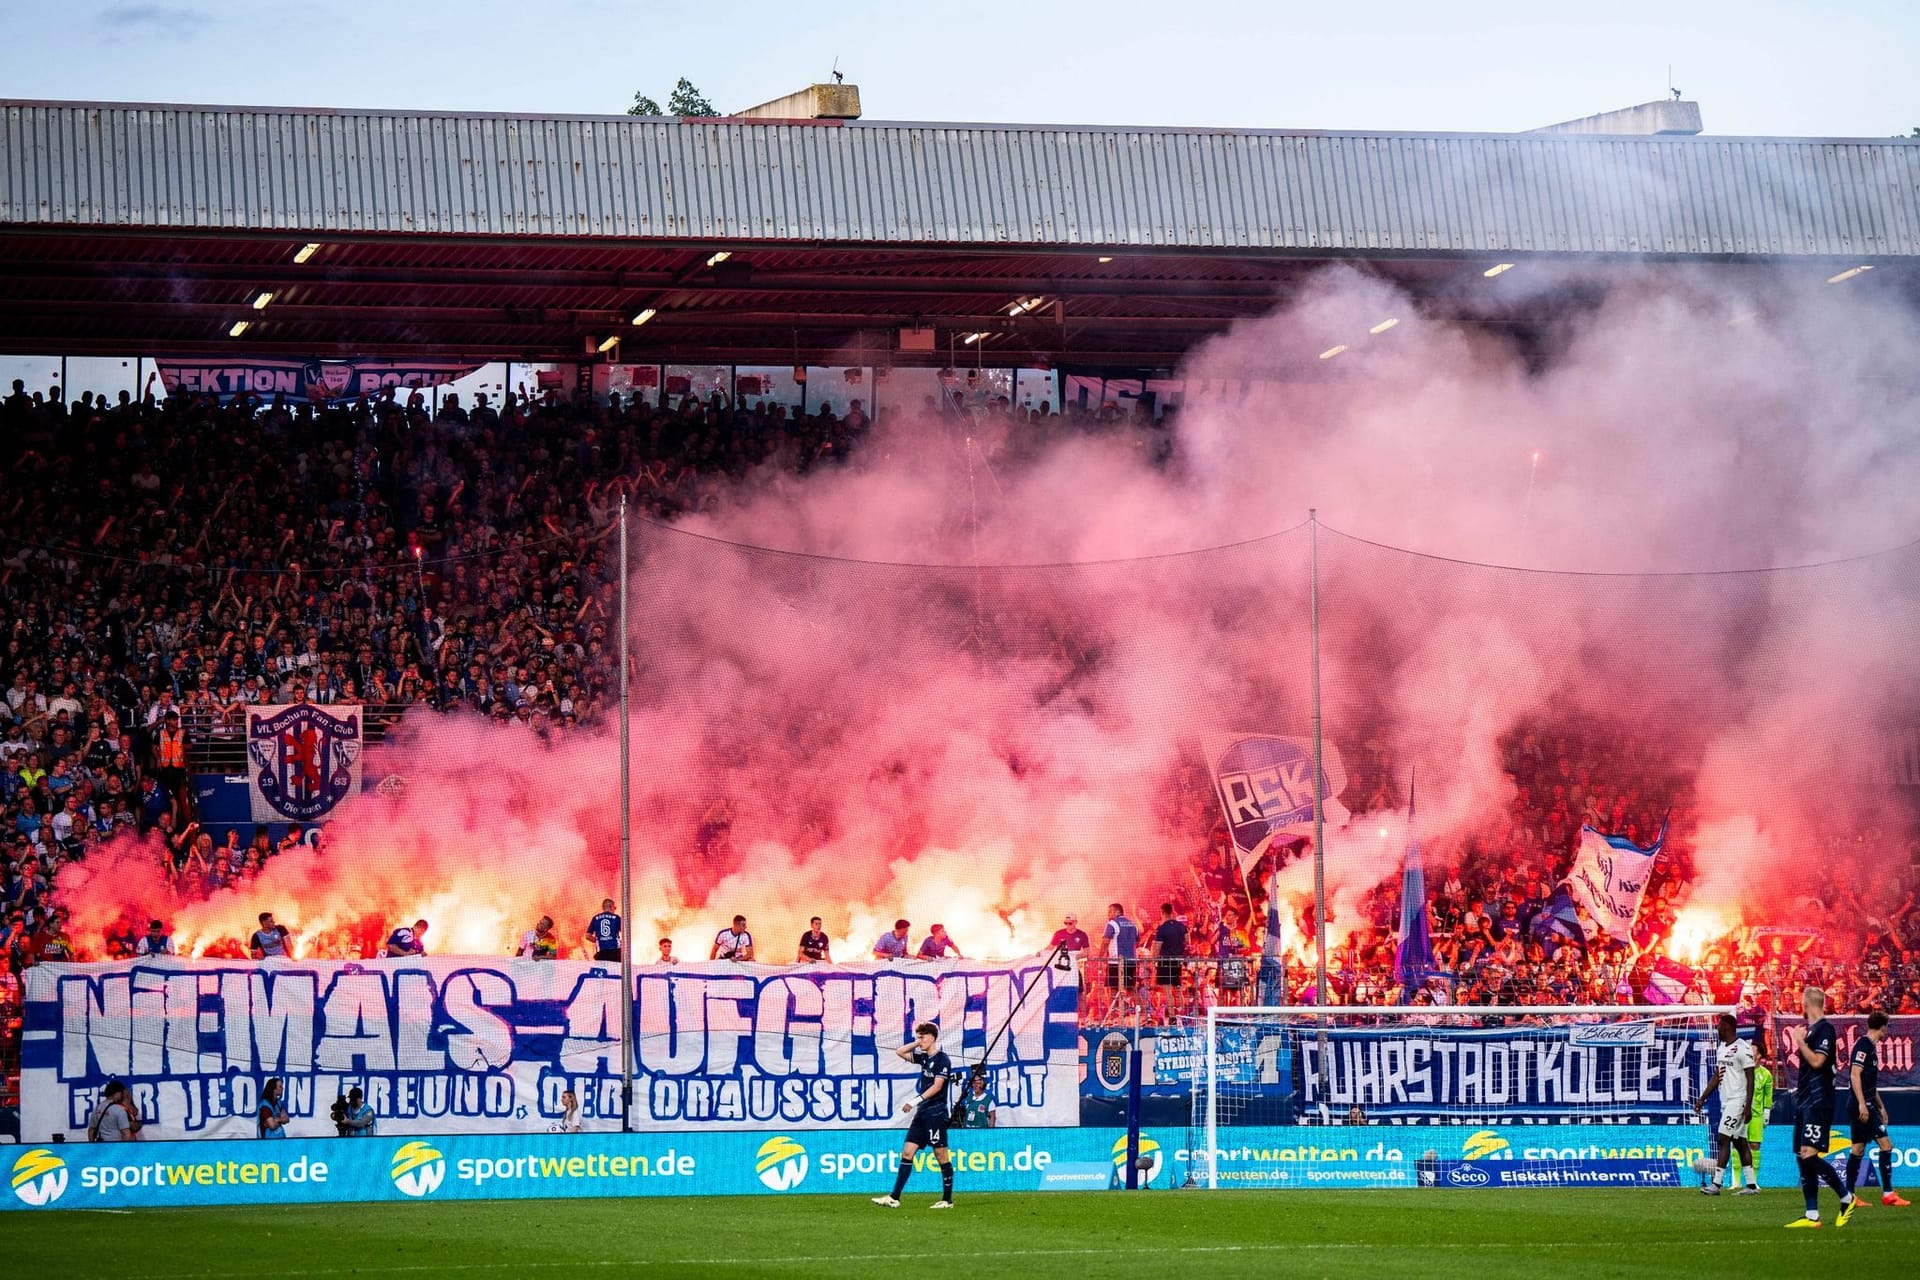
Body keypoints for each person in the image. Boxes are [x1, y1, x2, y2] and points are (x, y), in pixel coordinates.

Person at [1784, 987, 1856, 1227]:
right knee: (1800, 1155)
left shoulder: (1825, 1028)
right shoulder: (1813, 1030)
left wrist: (1800, 1042)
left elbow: (1818, 1061)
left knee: (1809, 1154)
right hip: (1805, 1100)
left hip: (1819, 1100)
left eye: (1800, 1000)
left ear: (1806, 1002)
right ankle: (1812, 1215)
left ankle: (1846, 1197)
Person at [871, 1022, 955, 1209]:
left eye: (922, 1037)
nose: (919, 1041)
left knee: (941, 1155)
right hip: (923, 1112)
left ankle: (947, 1200)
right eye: (918, 1037)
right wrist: (917, 1043)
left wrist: (914, 1101)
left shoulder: (943, 1059)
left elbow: (937, 1086)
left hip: (936, 1112)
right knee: (907, 1152)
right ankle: (894, 1197)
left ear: (932, 1037)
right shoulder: (924, 1058)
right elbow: (900, 1052)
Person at [1845, 1010, 1910, 1207]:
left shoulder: (1870, 1048)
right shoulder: (1863, 1046)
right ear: (1882, 1027)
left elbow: (1869, 1085)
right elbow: (1855, 1075)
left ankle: (1849, 1197)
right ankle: (1888, 1194)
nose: (1887, 1032)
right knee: (1886, 1145)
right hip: (1862, 1105)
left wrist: (1881, 1107)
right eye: (1886, 1028)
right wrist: (1863, 1104)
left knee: (1858, 1149)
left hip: (1866, 1103)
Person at [1691, 1013, 1759, 1195]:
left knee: (1723, 1138)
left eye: (1719, 1026)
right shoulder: (1721, 1048)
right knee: (1739, 1142)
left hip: (1738, 1101)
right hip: (1726, 1101)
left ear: (1727, 1027)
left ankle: (1717, 1184)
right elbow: (1717, 1076)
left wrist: (1747, 1105)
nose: (1717, 1029)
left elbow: (1750, 1078)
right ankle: (1752, 1186)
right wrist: (1702, 1098)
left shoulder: (1743, 1048)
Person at [1729, 1049, 1774, 1189]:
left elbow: (1768, 1094)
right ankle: (1735, 1181)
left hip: (1756, 1115)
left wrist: (1767, 1111)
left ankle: (1753, 1181)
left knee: (1755, 1145)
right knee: (1737, 1144)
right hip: (1740, 1113)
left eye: (1752, 1049)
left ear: (1759, 1054)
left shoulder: (1766, 1074)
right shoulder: (1740, 1070)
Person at [1102, 902, 1140, 1004]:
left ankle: (1114, 1015)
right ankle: (1143, 1014)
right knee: (1131, 988)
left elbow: (1105, 941)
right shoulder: (1133, 925)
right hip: (1131, 962)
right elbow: (1136, 941)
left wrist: (1100, 957)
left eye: (1110, 912)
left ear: (1117, 912)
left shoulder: (1112, 924)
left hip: (1116, 962)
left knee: (1113, 988)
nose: (1108, 915)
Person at [1152, 902, 1189, 994]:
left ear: (1162, 912)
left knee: (1168, 992)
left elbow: (1157, 948)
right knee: (1178, 990)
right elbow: (1188, 941)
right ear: (1172, 912)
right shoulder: (1181, 926)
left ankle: (1171, 1009)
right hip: (1177, 961)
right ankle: (1181, 1009)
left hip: (1165, 962)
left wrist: (1153, 961)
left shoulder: (1162, 929)